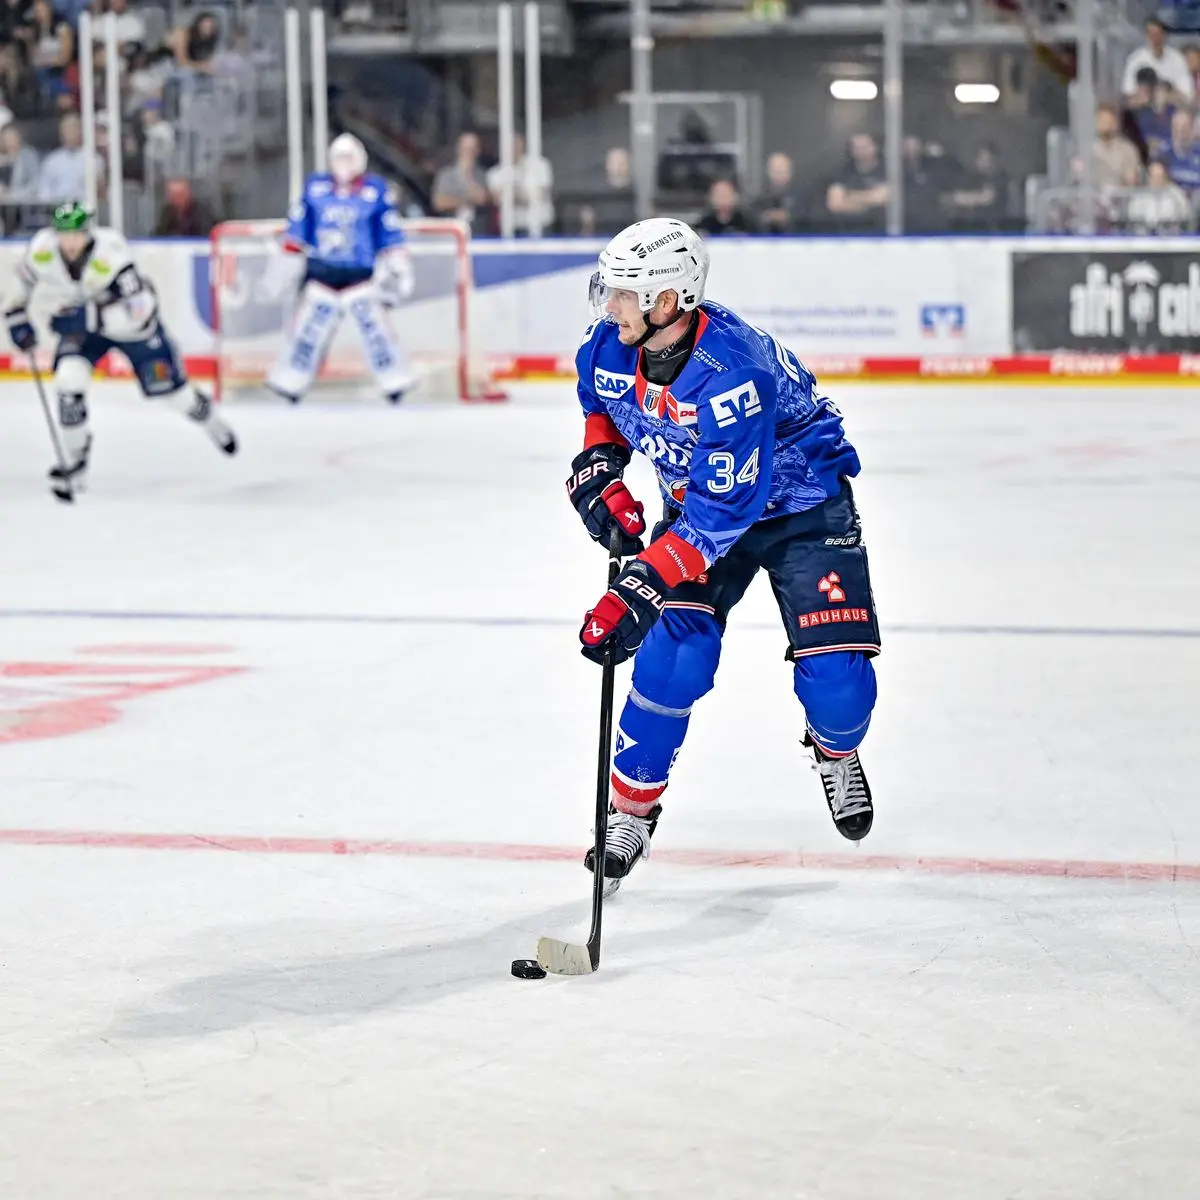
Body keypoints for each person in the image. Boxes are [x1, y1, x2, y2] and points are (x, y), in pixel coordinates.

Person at [568, 218, 879, 891]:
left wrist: (638, 586)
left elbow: (721, 515)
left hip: (801, 507)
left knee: (839, 687)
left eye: (625, 294)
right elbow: (603, 407)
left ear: (670, 302)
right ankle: (631, 811)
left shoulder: (732, 371)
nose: (609, 306)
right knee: (672, 662)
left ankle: (835, 749)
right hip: (703, 507)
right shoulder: (610, 346)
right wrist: (600, 471)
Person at [2, 201, 236, 501]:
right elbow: (18, 286)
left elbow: (141, 307)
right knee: (68, 382)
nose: (69, 241)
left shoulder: (112, 253)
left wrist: (89, 317)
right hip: (86, 332)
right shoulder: (42, 251)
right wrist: (17, 320)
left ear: (89, 232)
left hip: (133, 332)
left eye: (77, 233)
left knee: (174, 395)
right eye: (64, 233)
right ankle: (74, 460)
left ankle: (212, 423)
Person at [265, 132, 415, 405]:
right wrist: (284, 262)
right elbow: (298, 230)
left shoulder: (376, 191)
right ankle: (290, 382)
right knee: (307, 334)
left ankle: (395, 381)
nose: (344, 163)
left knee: (376, 334)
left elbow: (389, 231)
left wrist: (398, 263)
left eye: (349, 157)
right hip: (322, 276)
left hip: (361, 279)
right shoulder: (315, 188)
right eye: (339, 157)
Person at [485, 131, 554, 235]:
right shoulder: (494, 173)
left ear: (523, 143)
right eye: (509, 144)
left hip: (540, 226)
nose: (513, 147)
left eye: (516, 143)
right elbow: (498, 200)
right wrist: (520, 193)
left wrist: (510, 193)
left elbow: (536, 196)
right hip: (510, 229)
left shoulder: (540, 166)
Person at [431, 131, 491, 236]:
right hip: (451, 229)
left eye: (472, 149)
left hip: (477, 229)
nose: (469, 153)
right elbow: (439, 202)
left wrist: (467, 176)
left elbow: (482, 199)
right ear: (459, 150)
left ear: (477, 151)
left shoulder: (481, 175)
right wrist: (466, 200)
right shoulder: (446, 175)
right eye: (466, 149)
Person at [825, 133, 888, 230]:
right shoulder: (843, 172)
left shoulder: (888, 170)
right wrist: (870, 202)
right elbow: (835, 204)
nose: (861, 151)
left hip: (882, 230)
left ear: (875, 147)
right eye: (856, 147)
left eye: (864, 147)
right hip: (849, 230)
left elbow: (883, 198)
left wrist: (850, 196)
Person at [1122, 18, 1194, 103]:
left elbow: (1187, 92)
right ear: (1147, 36)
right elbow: (1127, 91)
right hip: (1142, 107)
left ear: (1164, 35)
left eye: (1158, 34)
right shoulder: (1135, 59)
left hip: (1172, 105)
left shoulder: (1177, 58)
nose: (1155, 39)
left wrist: (1167, 94)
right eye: (1151, 35)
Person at [1127, 159, 1192, 233]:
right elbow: (1133, 219)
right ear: (1148, 177)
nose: (1156, 180)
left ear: (1165, 177)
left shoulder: (1176, 194)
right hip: (1144, 237)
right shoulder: (1140, 195)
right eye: (1153, 176)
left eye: (1159, 177)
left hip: (1170, 236)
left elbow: (1186, 217)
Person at [1092, 102, 1142, 187]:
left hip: (1120, 196)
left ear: (1115, 123)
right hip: (1092, 197)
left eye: (1108, 121)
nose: (1105, 124)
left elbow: (1132, 180)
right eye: (1102, 120)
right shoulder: (1087, 150)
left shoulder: (1127, 150)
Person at [753, 152, 799, 233]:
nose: (779, 175)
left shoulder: (802, 198)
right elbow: (752, 219)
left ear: (790, 171)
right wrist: (767, 217)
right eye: (776, 171)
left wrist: (789, 217)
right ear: (769, 172)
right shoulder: (760, 199)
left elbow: (807, 220)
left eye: (782, 170)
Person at [1164, 107, 1200, 194]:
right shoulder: (1163, 154)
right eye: (1176, 127)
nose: (1180, 132)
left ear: (1192, 129)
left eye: (1184, 128)